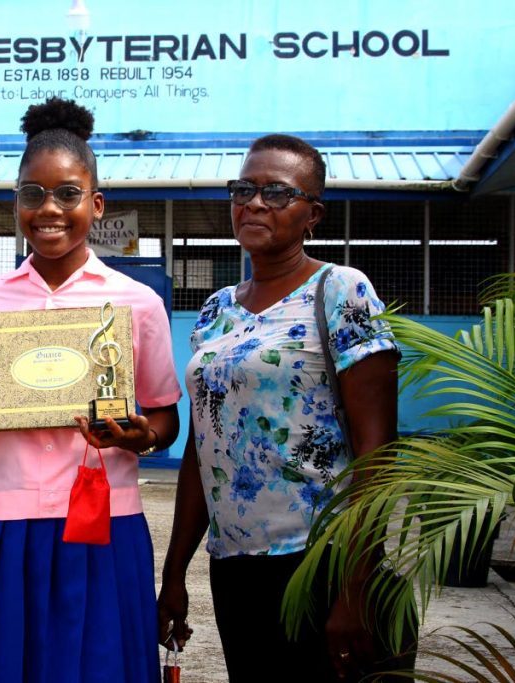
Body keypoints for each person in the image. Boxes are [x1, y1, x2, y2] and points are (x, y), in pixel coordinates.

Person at [0, 97, 182, 683]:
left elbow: (166, 419)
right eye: (32, 193)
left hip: (102, 522)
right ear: (15, 201)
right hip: (1, 522)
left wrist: (139, 435)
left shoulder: (136, 304)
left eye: (68, 193)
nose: (49, 209)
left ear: (96, 204)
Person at [157, 134, 401, 681]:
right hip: (235, 567)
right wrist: (175, 575)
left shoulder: (341, 290)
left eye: (277, 192)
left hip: (321, 562)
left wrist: (356, 589)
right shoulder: (218, 309)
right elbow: (203, 450)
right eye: (244, 188)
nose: (255, 202)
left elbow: (377, 452)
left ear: (312, 214)